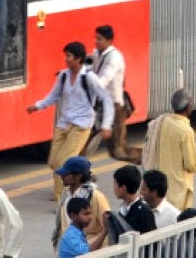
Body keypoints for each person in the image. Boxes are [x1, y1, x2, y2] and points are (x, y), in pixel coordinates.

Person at [26, 41, 114, 201]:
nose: (66, 59)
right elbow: (54, 95)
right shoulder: (64, 75)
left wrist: (106, 125)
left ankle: (62, 199)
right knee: (53, 161)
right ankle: (84, 177)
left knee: (63, 162)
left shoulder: (89, 78)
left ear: (79, 59)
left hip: (81, 125)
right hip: (64, 123)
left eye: (69, 56)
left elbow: (106, 99)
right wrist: (38, 106)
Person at [142, 88, 196, 210]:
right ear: (189, 107)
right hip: (177, 192)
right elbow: (191, 164)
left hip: (160, 189)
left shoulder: (160, 122)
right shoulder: (185, 131)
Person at [90, 25, 137, 162]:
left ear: (109, 41)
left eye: (100, 39)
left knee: (118, 152)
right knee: (82, 143)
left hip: (115, 108)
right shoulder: (96, 53)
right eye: (96, 38)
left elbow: (104, 79)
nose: (96, 41)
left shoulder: (114, 58)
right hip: (99, 106)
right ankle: (83, 175)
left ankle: (148, 160)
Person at [52, 156, 110, 252]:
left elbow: (107, 228)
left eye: (67, 174)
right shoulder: (65, 195)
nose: (62, 176)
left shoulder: (96, 197)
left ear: (78, 176)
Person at [112, 165, 157, 233]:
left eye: (115, 183)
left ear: (124, 187)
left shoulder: (144, 212)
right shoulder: (123, 209)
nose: (114, 187)